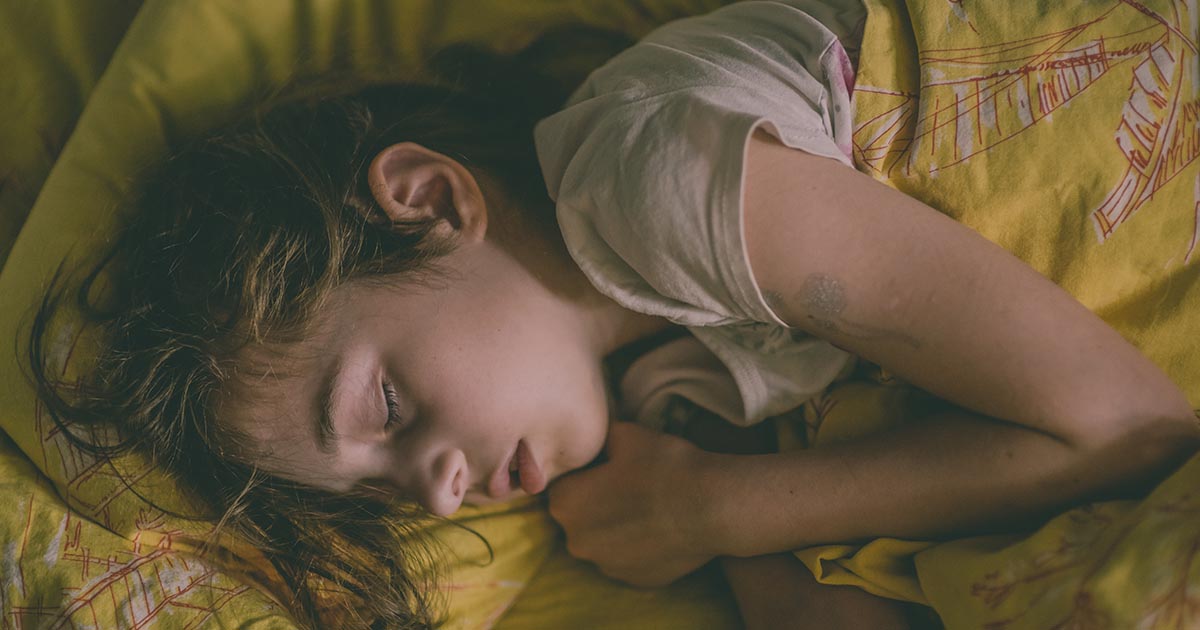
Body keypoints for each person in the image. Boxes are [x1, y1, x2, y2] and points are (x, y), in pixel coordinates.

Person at [29, 1, 1199, 628]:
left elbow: (1123, 425)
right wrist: (709, 516)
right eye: (384, 488)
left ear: (431, 198)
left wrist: (722, 511)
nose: (436, 490)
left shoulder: (646, 178)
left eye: (386, 406)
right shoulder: (661, 384)